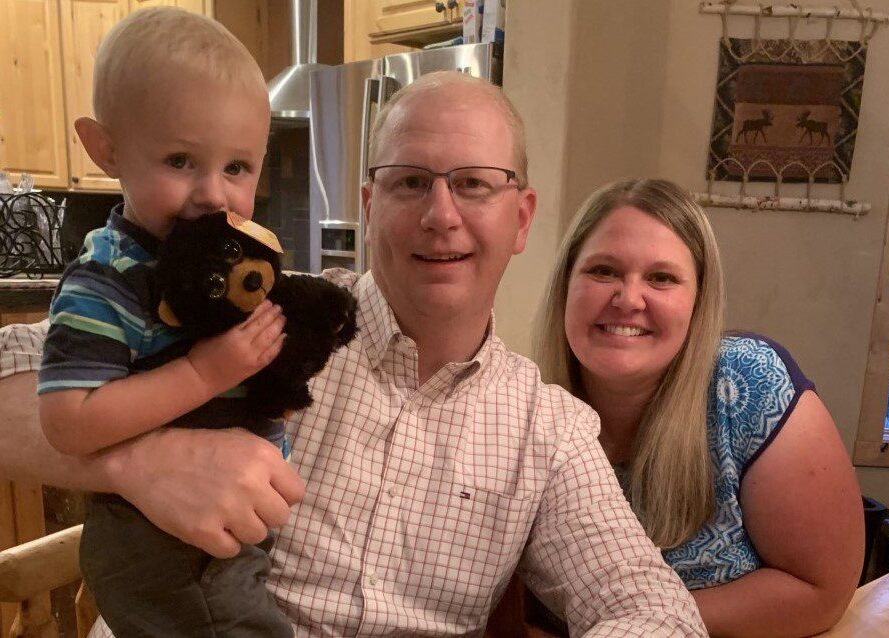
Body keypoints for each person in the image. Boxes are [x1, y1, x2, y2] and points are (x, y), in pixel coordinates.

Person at [0, 74, 708, 636]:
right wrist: (143, 461)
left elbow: (649, 605)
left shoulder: (546, 431)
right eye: (409, 182)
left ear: (520, 218)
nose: (440, 214)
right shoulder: (256, 317)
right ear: (369, 205)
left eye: (473, 183)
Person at [35, 7, 295, 636]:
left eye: (237, 168)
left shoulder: (222, 260)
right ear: (106, 150)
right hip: (159, 550)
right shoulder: (112, 277)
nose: (212, 194)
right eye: (181, 160)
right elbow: (67, 423)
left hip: (222, 543)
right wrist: (206, 373)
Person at [530, 178, 864, 637]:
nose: (628, 299)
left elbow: (821, 591)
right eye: (604, 271)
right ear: (565, 285)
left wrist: (638, 621)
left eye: (661, 278)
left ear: (698, 301)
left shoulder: (751, 382)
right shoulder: (520, 413)